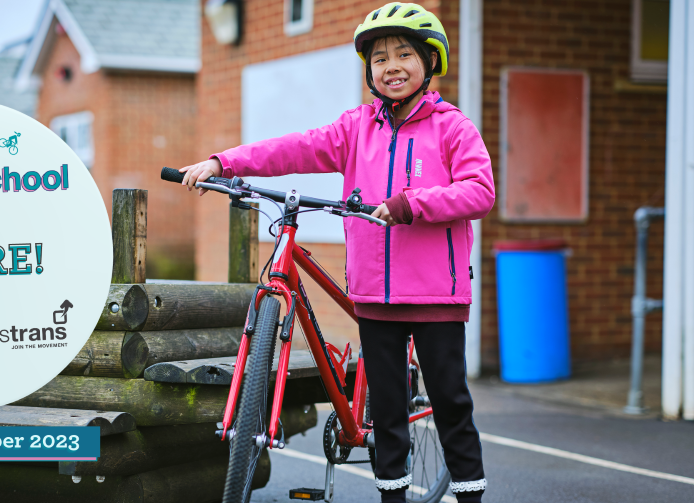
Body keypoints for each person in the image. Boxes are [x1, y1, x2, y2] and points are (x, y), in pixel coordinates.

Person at [177, 3, 492, 503]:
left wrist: (412, 203)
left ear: (431, 62)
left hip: (435, 295)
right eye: (380, 57)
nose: (391, 66)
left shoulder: (453, 128)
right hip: (374, 296)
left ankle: (471, 496)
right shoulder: (356, 128)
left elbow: (479, 192)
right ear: (368, 70)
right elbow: (293, 149)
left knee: (451, 404)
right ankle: (392, 497)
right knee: (386, 414)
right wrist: (224, 161)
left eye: (404, 54)